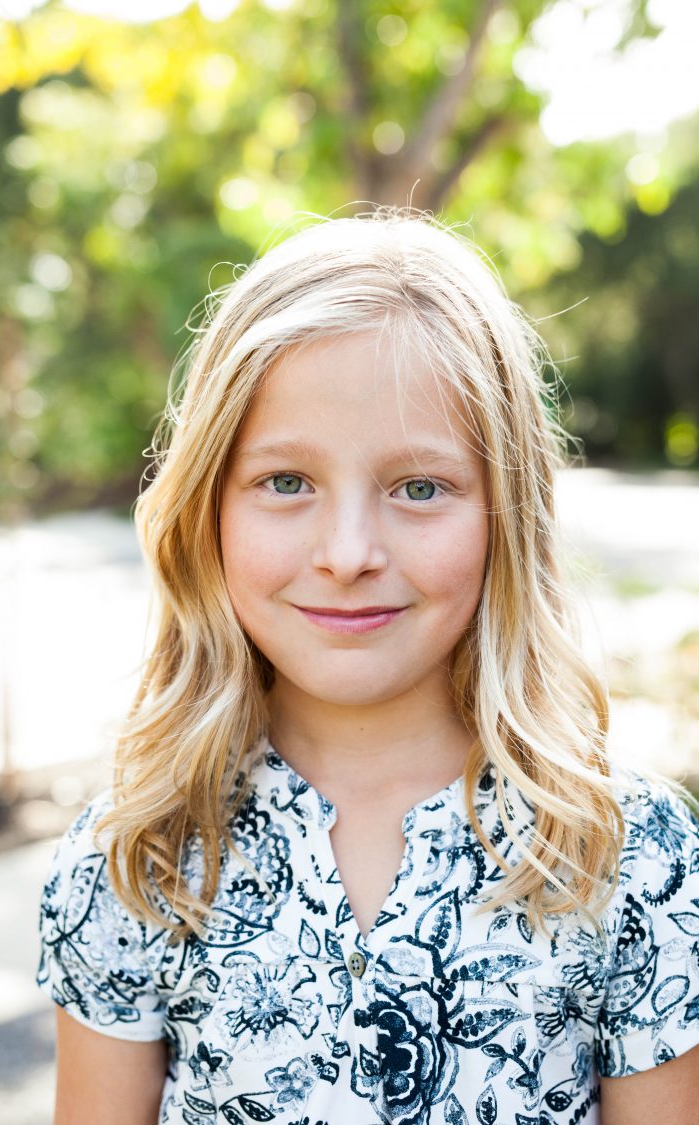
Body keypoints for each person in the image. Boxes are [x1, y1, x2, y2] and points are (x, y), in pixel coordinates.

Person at [37, 208, 699, 1125]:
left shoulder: (624, 856)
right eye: (286, 482)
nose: (348, 551)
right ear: (208, 508)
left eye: (419, 487)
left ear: (505, 513)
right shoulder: (140, 853)